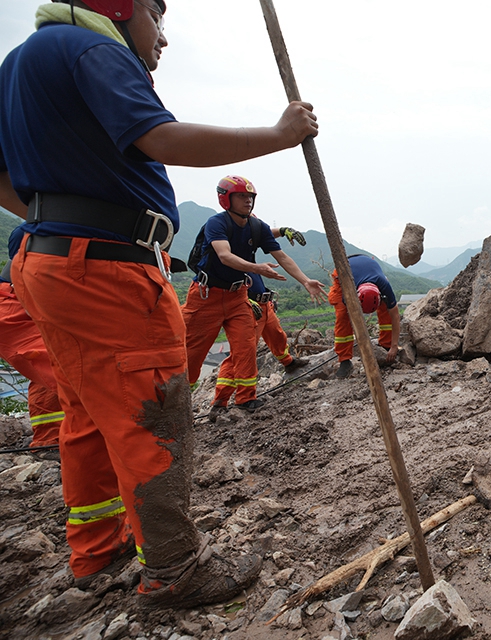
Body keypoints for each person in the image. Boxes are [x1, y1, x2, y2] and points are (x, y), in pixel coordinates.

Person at [0, 0, 318, 607]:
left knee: (88, 410)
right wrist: (279, 136)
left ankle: (96, 549)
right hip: (108, 272)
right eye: (155, 14)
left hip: (48, 262)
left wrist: (58, 220)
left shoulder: (18, 65)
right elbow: (161, 137)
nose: (163, 38)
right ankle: (175, 568)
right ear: (116, 9)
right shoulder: (91, 48)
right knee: (154, 406)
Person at [182, 176, 323, 412]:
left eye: (250, 197)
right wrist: (257, 269)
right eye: (241, 196)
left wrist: (306, 280)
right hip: (206, 296)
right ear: (226, 199)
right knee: (191, 354)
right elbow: (224, 255)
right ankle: (179, 402)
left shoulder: (257, 227)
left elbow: (282, 257)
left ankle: (246, 398)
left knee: (246, 347)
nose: (248, 201)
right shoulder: (215, 223)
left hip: (238, 296)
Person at [0, 226, 62, 448]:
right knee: (64, 365)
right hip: (15, 299)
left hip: (25, 295)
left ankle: (52, 437)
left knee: (53, 364)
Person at [328, 254, 401, 379]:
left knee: (386, 309)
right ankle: (344, 360)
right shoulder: (348, 288)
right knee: (343, 316)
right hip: (344, 268)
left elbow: (395, 315)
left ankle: (386, 345)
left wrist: (394, 346)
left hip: (368, 264)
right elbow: (354, 318)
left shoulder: (384, 285)